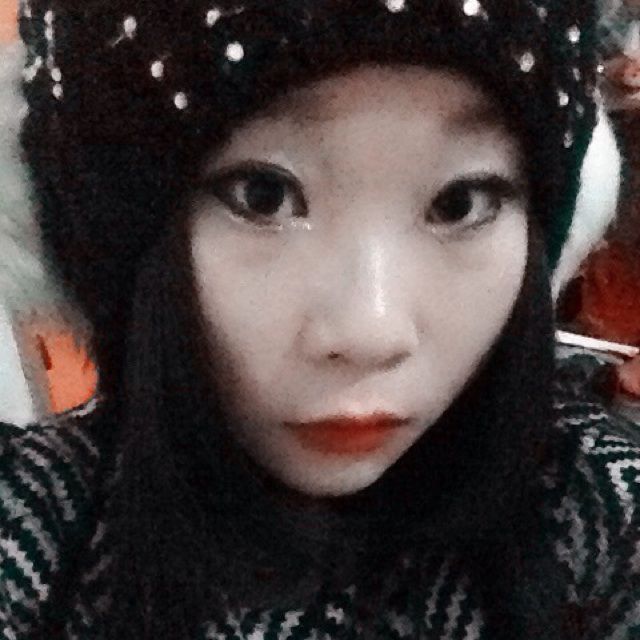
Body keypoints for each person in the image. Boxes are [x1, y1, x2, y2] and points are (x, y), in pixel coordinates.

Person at [1, 1, 638, 639]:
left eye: (460, 203)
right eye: (262, 195)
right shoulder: (36, 528)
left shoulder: (604, 514)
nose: (371, 333)